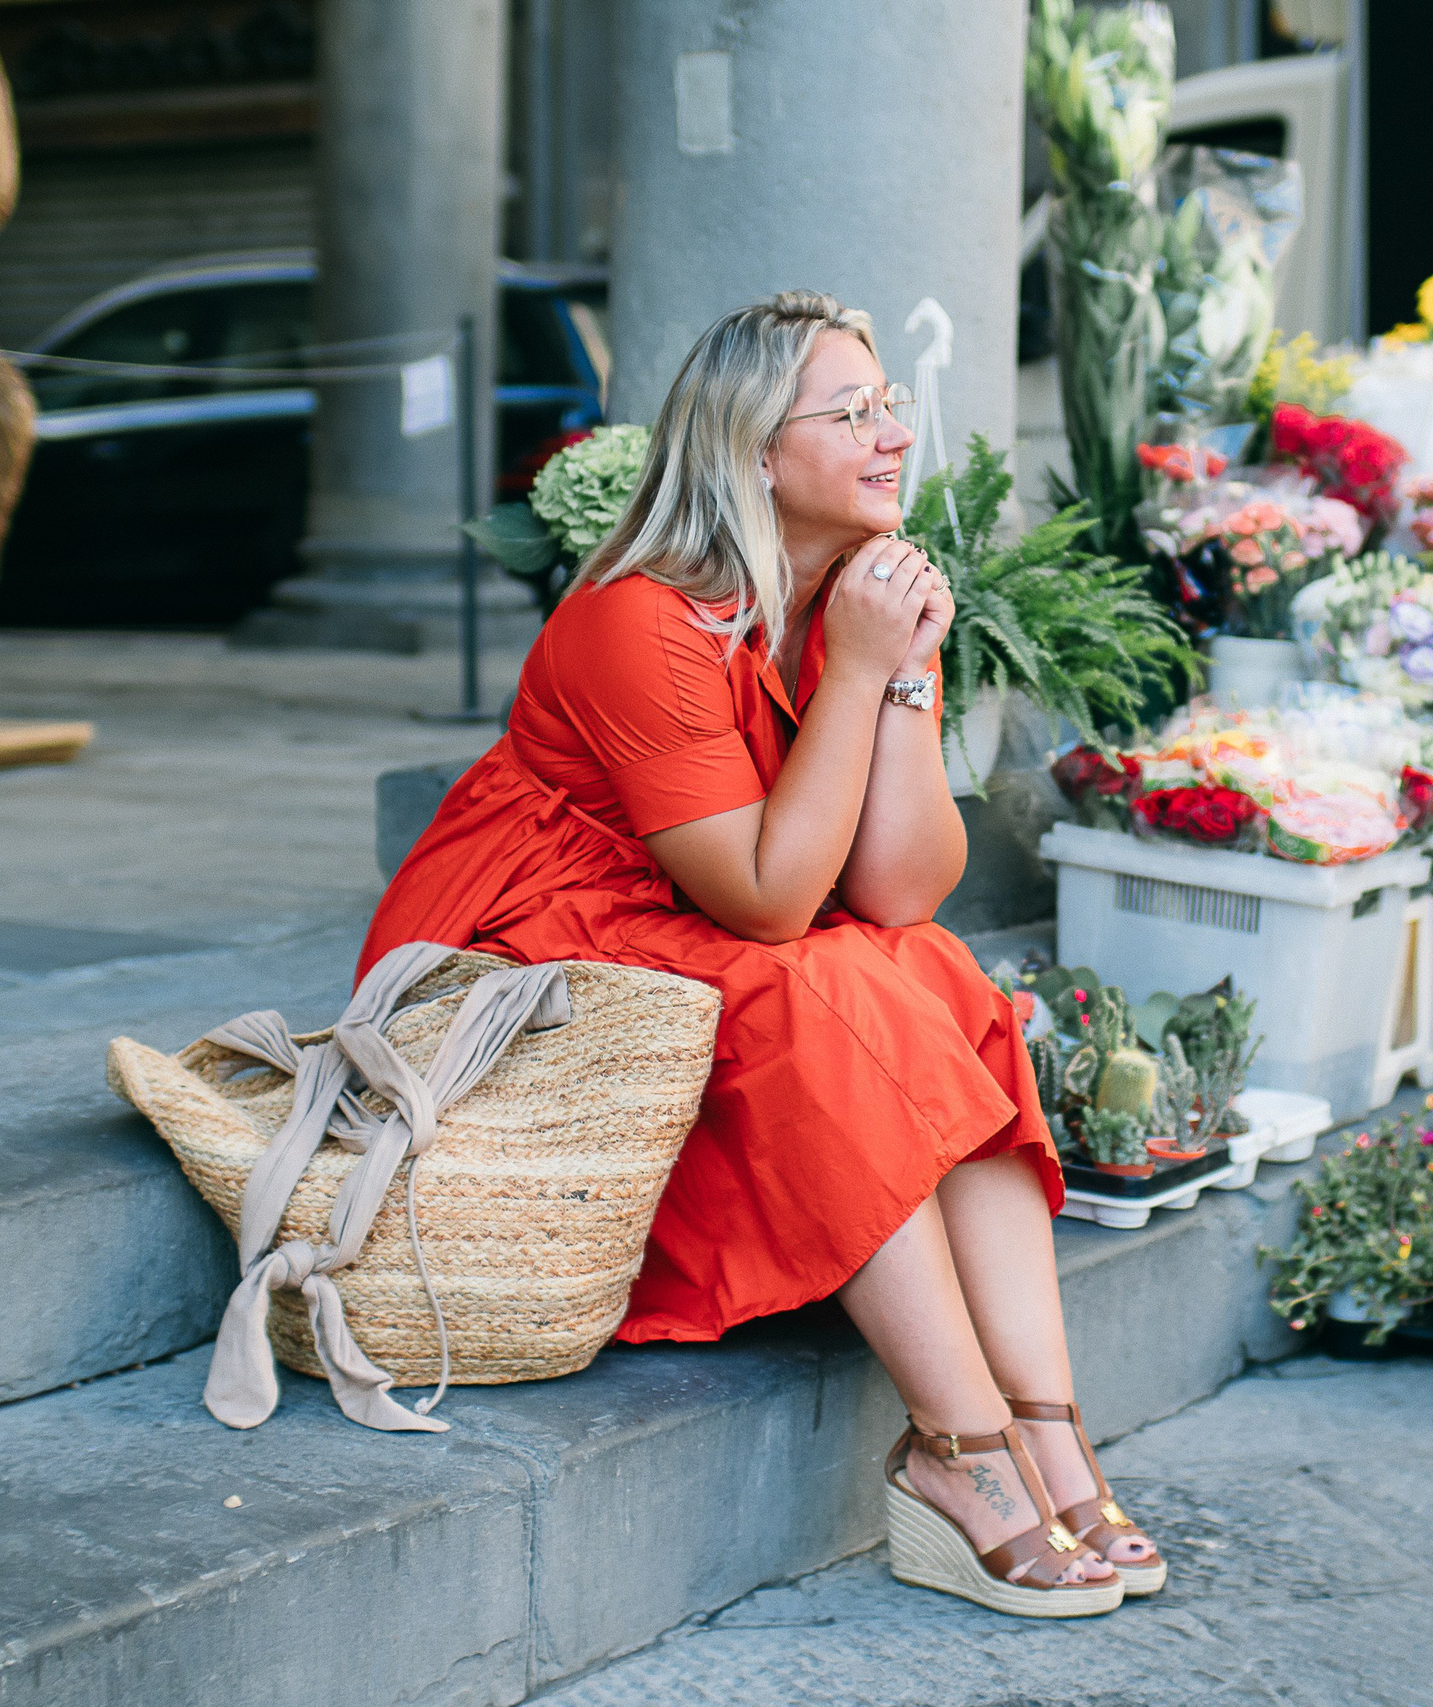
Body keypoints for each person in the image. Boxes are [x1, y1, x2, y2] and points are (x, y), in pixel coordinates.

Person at [361, 291, 1161, 1618]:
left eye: (888, 403)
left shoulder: (845, 602)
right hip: (519, 936)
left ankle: (1048, 1428)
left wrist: (902, 674)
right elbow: (774, 901)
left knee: (938, 975)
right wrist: (857, 674)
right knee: (814, 986)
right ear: (749, 454)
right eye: (849, 413)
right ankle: (958, 1453)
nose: (892, 432)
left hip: (693, 911)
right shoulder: (639, 617)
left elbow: (901, 888)